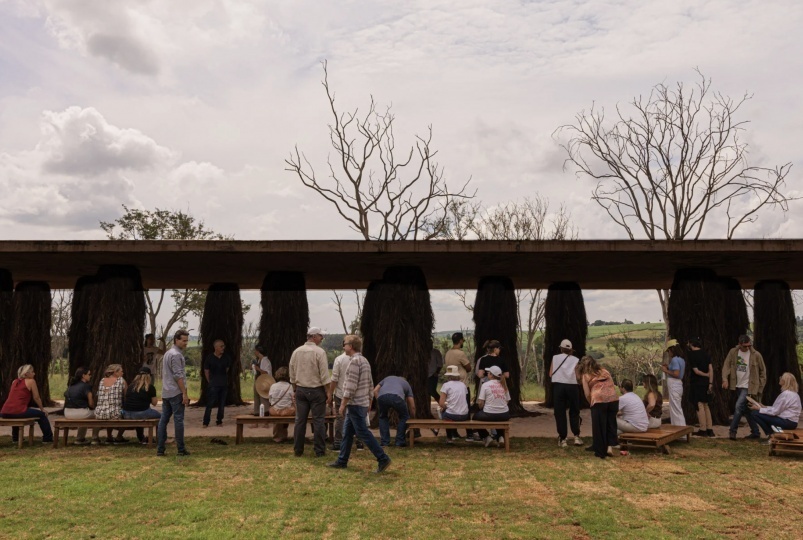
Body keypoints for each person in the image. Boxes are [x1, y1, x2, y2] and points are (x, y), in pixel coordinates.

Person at [327, 335, 391, 473]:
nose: (343, 346)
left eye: (345, 344)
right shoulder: (364, 360)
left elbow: (351, 386)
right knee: (348, 433)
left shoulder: (355, 362)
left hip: (354, 403)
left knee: (363, 432)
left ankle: (382, 458)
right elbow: (370, 383)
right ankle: (342, 460)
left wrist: (343, 404)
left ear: (351, 346)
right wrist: (369, 400)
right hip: (360, 403)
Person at [289, 326, 332, 457]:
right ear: (314, 337)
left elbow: (292, 371)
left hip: (301, 389)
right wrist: (329, 392)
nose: (322, 338)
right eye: (320, 336)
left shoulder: (297, 351)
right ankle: (319, 450)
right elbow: (324, 375)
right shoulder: (319, 352)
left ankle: (298, 450)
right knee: (318, 420)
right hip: (316, 390)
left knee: (300, 421)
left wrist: (295, 388)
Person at [722, 334, 766, 440]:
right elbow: (726, 365)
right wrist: (725, 379)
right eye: (745, 346)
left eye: (749, 345)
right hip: (737, 385)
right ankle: (755, 432)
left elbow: (763, 372)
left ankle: (732, 431)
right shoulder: (733, 352)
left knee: (738, 407)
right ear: (739, 344)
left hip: (749, 386)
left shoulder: (756, 355)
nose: (747, 348)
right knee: (746, 410)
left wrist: (759, 388)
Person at [157, 329, 191, 457]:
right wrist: (184, 393)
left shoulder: (167, 353)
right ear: (177, 340)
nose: (186, 343)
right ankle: (181, 449)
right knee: (178, 420)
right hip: (175, 392)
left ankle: (160, 449)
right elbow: (178, 376)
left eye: (187, 340)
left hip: (166, 391)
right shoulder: (176, 355)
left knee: (163, 420)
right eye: (183, 340)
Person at [0, 364, 53, 444]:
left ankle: (16, 438)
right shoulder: (31, 381)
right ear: (26, 374)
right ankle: (47, 438)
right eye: (32, 372)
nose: (34, 373)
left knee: (16, 415)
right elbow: (36, 397)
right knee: (42, 415)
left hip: (4, 412)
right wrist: (42, 409)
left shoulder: (14, 381)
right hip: (19, 410)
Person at [578, 356, 619, 459]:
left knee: (599, 426)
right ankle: (608, 447)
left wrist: (591, 402)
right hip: (613, 399)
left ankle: (600, 452)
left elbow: (587, 393)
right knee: (610, 424)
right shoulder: (605, 371)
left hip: (599, 400)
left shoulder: (586, 375)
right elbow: (612, 384)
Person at [549, 339, 583, 448]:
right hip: (572, 386)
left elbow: (550, 374)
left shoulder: (555, 358)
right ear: (571, 350)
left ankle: (563, 438)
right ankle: (576, 436)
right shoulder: (576, 360)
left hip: (559, 386)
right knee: (574, 411)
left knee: (560, 412)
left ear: (561, 348)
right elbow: (578, 376)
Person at [748, 372, 801, 442]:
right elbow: (777, 408)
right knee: (764, 416)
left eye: (781, 377)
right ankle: (774, 432)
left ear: (785, 381)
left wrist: (759, 408)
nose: (780, 378)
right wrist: (765, 407)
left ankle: (771, 434)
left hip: (786, 422)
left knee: (755, 413)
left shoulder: (786, 394)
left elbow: (775, 412)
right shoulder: (794, 394)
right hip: (792, 422)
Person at [444, 332, 477, 441]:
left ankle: (453, 433)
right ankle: (469, 434)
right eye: (463, 340)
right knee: (465, 407)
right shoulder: (460, 354)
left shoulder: (448, 353)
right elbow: (468, 368)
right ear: (460, 341)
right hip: (462, 384)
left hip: (450, 385)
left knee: (452, 406)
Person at [121, 366, 161, 444]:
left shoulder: (131, 386)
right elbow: (154, 403)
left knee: (139, 413)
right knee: (162, 417)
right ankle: (161, 438)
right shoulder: (150, 387)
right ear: (149, 376)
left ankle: (141, 437)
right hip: (141, 413)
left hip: (126, 413)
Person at [473, 365, 510, 448]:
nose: (487, 374)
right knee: (498, 419)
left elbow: (480, 402)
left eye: (488, 373)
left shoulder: (485, 385)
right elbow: (507, 400)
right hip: (505, 414)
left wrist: (481, 408)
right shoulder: (504, 384)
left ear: (491, 375)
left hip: (489, 413)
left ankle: (486, 437)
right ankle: (501, 437)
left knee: (475, 418)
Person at [375, 375, 416, 448]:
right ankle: (399, 442)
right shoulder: (406, 383)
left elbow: (375, 390)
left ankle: (385, 442)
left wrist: (379, 400)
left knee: (383, 417)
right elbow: (412, 406)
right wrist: (412, 418)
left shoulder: (387, 378)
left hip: (382, 397)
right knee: (404, 417)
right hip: (397, 397)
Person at [63, 367, 98, 445]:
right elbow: (91, 404)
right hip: (80, 413)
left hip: (67, 413)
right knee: (98, 414)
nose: (90, 376)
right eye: (89, 374)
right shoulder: (86, 386)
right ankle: (95, 438)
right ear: (83, 375)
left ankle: (80, 438)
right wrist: (94, 408)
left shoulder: (71, 386)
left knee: (85, 415)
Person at [94, 364, 128, 444]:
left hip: (99, 413)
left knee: (110, 409)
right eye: (121, 371)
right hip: (114, 413)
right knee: (127, 415)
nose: (123, 373)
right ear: (115, 372)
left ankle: (109, 436)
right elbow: (126, 395)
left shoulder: (102, 380)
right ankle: (119, 436)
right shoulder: (121, 380)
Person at [687, 338, 714, 437]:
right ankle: (710, 428)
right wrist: (710, 382)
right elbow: (711, 369)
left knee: (699, 405)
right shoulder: (706, 354)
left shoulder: (691, 355)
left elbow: (696, 371)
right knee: (706, 405)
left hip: (697, 383)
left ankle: (703, 429)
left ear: (691, 344)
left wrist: (705, 375)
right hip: (706, 384)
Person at [203, 339, 231, 428]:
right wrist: (210, 381)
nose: (223, 348)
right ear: (216, 348)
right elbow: (206, 371)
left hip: (223, 384)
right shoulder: (209, 358)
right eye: (221, 346)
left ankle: (219, 421)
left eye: (224, 346)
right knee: (210, 404)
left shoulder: (226, 357)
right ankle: (205, 422)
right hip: (213, 385)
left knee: (222, 404)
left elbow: (227, 369)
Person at [438, 365, 470, 443]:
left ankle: (449, 438)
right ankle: (469, 435)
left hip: (452, 415)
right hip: (464, 415)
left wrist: (445, 407)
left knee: (444, 413)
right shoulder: (463, 385)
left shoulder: (446, 385)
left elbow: (441, 403)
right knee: (448, 412)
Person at [661, 339, 686, 427]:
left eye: (669, 351)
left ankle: (680, 428)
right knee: (675, 407)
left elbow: (676, 373)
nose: (669, 353)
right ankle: (677, 427)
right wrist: (669, 367)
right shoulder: (681, 359)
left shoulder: (675, 360)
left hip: (674, 384)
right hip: (678, 384)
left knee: (676, 408)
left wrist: (666, 370)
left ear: (672, 350)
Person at [268, 367, 295, 443]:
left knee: (277, 417)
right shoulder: (290, 387)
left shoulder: (273, 386)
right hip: (287, 411)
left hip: (274, 411)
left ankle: (277, 437)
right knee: (292, 410)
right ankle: (283, 435)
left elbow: (270, 400)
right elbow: (293, 400)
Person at [252, 345, 272, 417]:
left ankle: (265, 422)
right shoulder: (258, 360)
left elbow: (267, 373)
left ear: (258, 351)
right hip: (258, 381)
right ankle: (256, 420)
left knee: (264, 401)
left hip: (263, 383)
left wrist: (258, 369)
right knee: (257, 401)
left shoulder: (265, 361)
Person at [427, 340, 444, 404]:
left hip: (433, 375)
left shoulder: (436, 352)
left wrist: (436, 372)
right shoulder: (424, 352)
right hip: (426, 375)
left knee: (432, 391)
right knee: (427, 392)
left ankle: (442, 404)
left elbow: (440, 364)